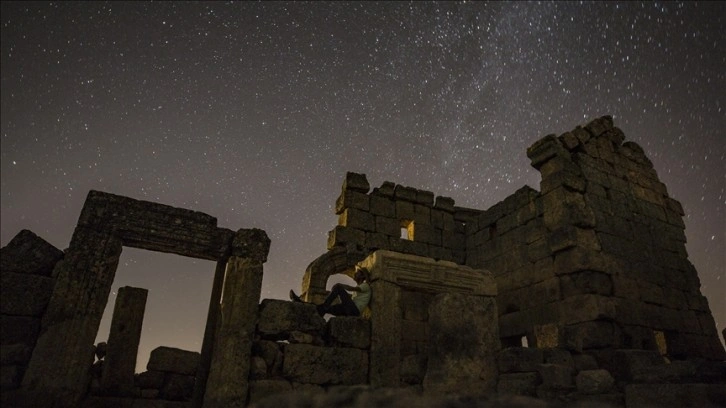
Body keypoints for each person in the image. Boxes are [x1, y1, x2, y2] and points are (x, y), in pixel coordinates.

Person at [290, 267, 371, 317]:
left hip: (354, 310)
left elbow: (352, 288)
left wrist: (341, 285)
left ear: (363, 276)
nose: (355, 273)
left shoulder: (365, 286)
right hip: (350, 309)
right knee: (323, 308)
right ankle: (301, 304)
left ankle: (324, 307)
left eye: (358, 273)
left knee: (338, 288)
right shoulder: (360, 287)